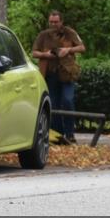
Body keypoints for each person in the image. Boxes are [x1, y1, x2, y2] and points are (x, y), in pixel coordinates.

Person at [31, 11, 86, 144]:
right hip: (50, 74)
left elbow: (82, 47)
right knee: (53, 104)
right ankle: (58, 135)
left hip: (67, 73)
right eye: (51, 22)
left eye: (56, 22)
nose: (53, 24)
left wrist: (68, 50)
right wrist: (47, 54)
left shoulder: (69, 33)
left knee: (67, 100)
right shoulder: (43, 35)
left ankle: (70, 133)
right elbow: (34, 52)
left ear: (61, 22)